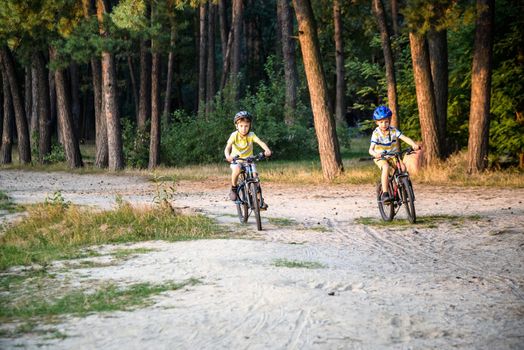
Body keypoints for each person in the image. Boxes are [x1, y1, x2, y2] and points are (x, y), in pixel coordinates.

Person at [369, 106, 421, 203]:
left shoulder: (393, 130)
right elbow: (370, 150)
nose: (384, 124)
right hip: (381, 157)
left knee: (403, 168)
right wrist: (375, 154)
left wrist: (413, 144)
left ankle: (405, 188)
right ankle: (385, 194)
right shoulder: (376, 133)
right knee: (386, 167)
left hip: (393, 155)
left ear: (389, 120)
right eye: (381, 122)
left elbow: (404, 138)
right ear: (377, 122)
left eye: (386, 121)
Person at [224, 111, 272, 202]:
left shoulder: (251, 135)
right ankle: (234, 188)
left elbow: (260, 142)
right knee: (237, 169)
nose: (244, 129)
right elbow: (227, 148)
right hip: (236, 160)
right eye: (241, 126)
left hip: (249, 161)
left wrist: (267, 150)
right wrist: (228, 156)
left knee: (255, 177)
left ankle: (259, 200)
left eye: (246, 126)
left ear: (250, 126)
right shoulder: (234, 135)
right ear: (236, 126)